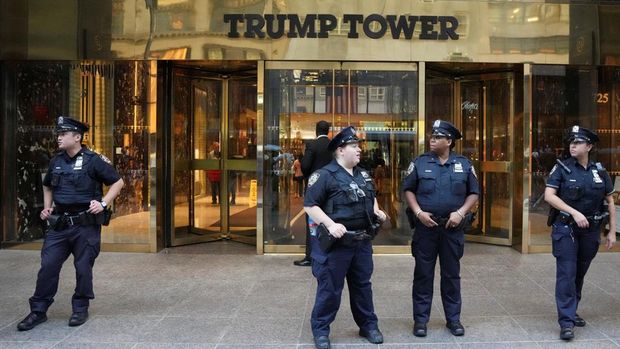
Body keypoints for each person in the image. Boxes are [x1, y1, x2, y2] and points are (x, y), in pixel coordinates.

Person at [17, 116, 124, 331]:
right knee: (48, 266)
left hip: (85, 225)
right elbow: (47, 185)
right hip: (60, 225)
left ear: (77, 137)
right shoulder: (56, 160)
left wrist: (103, 203)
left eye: (63, 134)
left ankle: (80, 308)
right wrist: (47, 207)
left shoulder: (93, 160)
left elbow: (118, 182)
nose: (59, 137)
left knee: (83, 268)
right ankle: (38, 310)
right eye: (58, 133)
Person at [304, 126, 387, 349]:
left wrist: (378, 211)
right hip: (336, 245)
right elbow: (310, 206)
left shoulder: (363, 174)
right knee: (330, 289)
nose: (359, 150)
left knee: (362, 286)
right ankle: (321, 331)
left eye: (358, 146)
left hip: (362, 242)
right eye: (354, 146)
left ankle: (368, 325)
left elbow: (371, 197)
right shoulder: (324, 175)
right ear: (341, 150)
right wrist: (330, 225)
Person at [402, 120, 479, 338]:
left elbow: (474, 192)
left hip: (452, 228)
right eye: (432, 136)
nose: (432, 140)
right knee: (423, 275)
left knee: (451, 275)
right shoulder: (420, 162)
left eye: (437, 137)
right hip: (426, 227)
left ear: (449, 141)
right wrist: (418, 213)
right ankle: (420, 320)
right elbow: (408, 190)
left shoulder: (464, 164)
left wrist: (461, 212)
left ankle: (453, 319)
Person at [544, 125, 616, 340]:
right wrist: (574, 212)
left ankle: (572, 309)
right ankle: (566, 322)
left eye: (578, 143)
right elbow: (549, 195)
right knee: (566, 273)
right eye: (571, 142)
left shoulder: (599, 171)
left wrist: (612, 231)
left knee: (579, 273)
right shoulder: (562, 168)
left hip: (590, 231)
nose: (572, 146)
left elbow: (609, 200)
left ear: (589, 146)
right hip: (566, 229)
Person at [294, 120, 332, 267]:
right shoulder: (333, 146)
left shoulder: (311, 145)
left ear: (316, 130)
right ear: (327, 130)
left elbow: (306, 166)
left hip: (314, 188)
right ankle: (328, 252)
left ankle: (311, 256)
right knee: (329, 219)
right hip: (330, 189)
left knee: (311, 222)